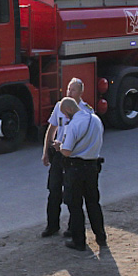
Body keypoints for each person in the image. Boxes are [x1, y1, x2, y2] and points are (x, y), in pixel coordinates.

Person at [40, 78, 92, 238]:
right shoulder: (60, 106)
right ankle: (52, 226)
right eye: (68, 89)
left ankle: (72, 228)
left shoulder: (86, 111)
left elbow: (86, 137)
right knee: (53, 190)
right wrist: (46, 151)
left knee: (72, 194)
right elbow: (52, 128)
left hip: (74, 157)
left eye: (73, 90)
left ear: (80, 92)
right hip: (58, 154)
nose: (69, 92)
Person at [53, 96, 106, 251]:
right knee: (93, 203)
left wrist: (59, 146)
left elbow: (67, 151)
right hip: (92, 166)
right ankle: (101, 236)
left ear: (69, 109)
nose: (66, 117)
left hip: (75, 169)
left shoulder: (74, 124)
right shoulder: (96, 120)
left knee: (75, 205)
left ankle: (79, 241)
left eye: (65, 113)